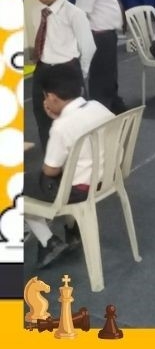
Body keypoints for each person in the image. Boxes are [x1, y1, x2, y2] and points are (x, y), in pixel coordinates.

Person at [23, 63, 115, 269]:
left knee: (14, 185)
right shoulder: (98, 107)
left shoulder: (61, 127)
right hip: (106, 178)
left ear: (52, 97)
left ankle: (48, 241)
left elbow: (50, 170)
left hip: (79, 189)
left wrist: (57, 123)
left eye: (45, 97)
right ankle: (72, 231)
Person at [28, 0, 96, 149]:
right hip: (42, 69)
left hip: (67, 70)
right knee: (42, 116)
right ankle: (51, 158)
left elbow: (88, 47)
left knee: (74, 118)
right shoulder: (36, 11)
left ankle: (79, 158)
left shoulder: (74, 14)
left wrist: (81, 72)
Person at [75, 0, 127, 114]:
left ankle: (113, 104)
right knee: (101, 76)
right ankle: (100, 112)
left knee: (110, 74)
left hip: (107, 34)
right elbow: (82, 12)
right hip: (99, 36)